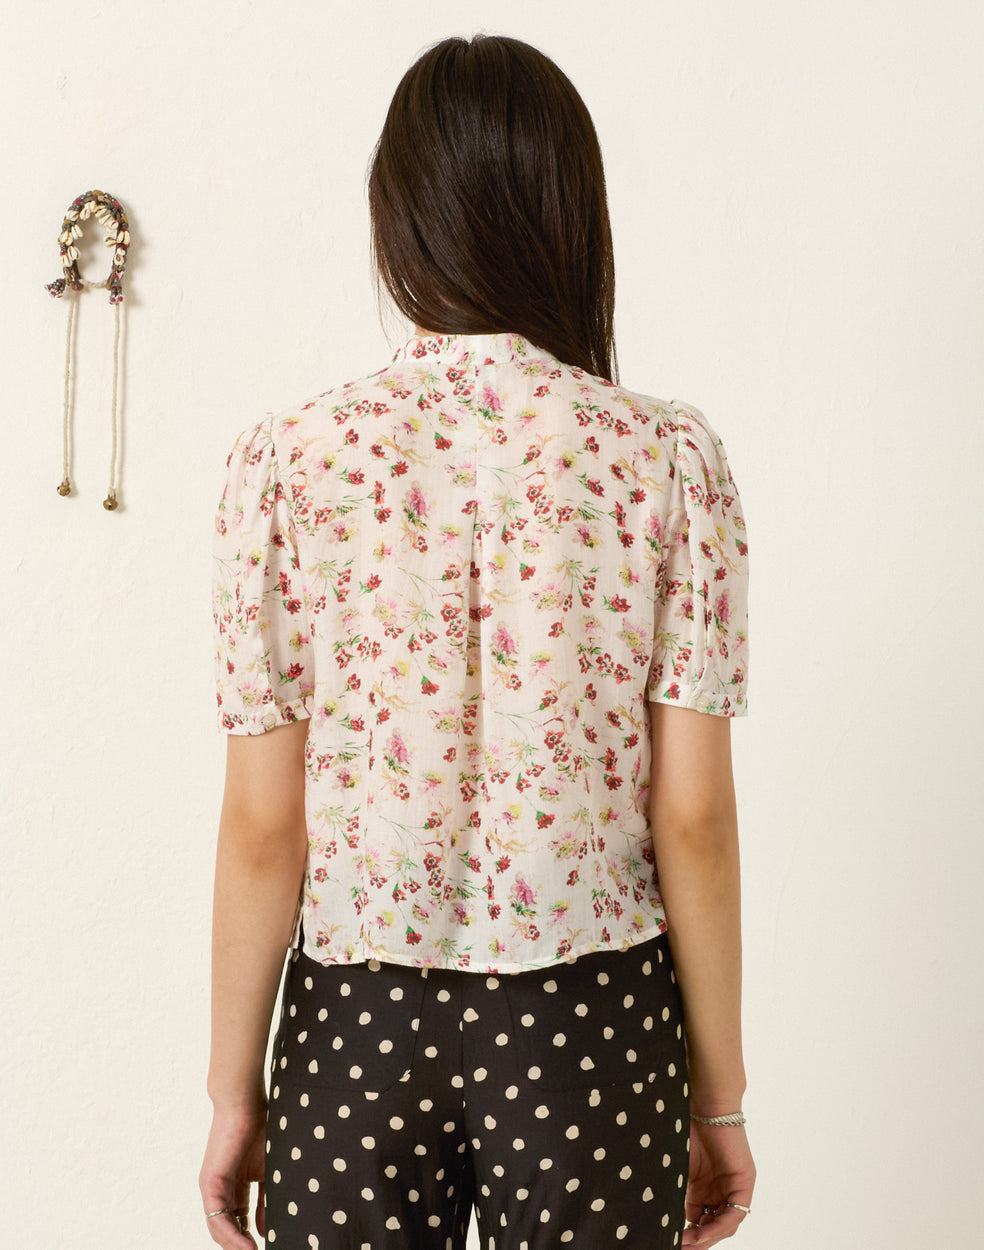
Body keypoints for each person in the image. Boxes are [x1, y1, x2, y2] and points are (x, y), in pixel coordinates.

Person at [199, 31, 756, 1250]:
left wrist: (235, 1088)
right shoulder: (666, 458)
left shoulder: (291, 460)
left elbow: (260, 825)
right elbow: (695, 818)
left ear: (396, 222)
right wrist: (716, 1096)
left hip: (355, 1021)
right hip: (592, 1021)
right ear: (571, 217)